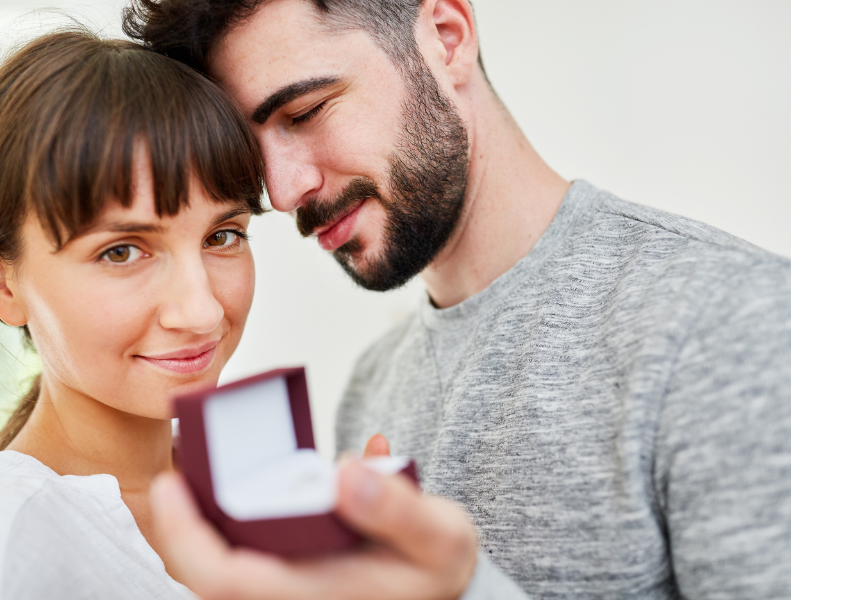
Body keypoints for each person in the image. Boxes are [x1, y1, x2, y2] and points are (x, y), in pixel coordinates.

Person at [123, 0, 791, 598]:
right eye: (253, 153)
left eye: (305, 111)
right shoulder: (371, 388)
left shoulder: (737, 324)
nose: (284, 189)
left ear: (446, 36)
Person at [0, 28, 272, 599]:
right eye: (121, 251)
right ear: (2, 283)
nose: (201, 311)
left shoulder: (246, 484)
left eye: (223, 235)